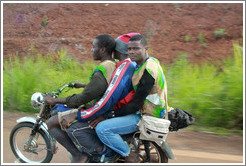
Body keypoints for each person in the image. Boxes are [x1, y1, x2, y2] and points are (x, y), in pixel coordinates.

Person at [61, 33, 140, 163]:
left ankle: (119, 155)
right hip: (125, 109)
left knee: (95, 128)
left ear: (116, 51)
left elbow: (109, 98)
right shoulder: (128, 65)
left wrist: (79, 115)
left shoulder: (125, 67)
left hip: (124, 112)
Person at [95, 34, 168, 163]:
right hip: (145, 111)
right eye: (129, 49)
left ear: (146, 48)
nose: (132, 52)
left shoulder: (149, 70)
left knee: (102, 128)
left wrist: (109, 114)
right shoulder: (145, 63)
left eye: (136, 48)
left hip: (147, 115)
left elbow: (136, 104)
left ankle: (129, 155)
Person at [44, 34, 116, 163]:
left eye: (93, 47)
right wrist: (83, 85)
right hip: (104, 106)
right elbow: (102, 86)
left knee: (52, 122)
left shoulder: (102, 70)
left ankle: (78, 155)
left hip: (97, 109)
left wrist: (54, 100)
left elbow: (81, 98)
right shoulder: (112, 65)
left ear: (103, 50)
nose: (91, 50)